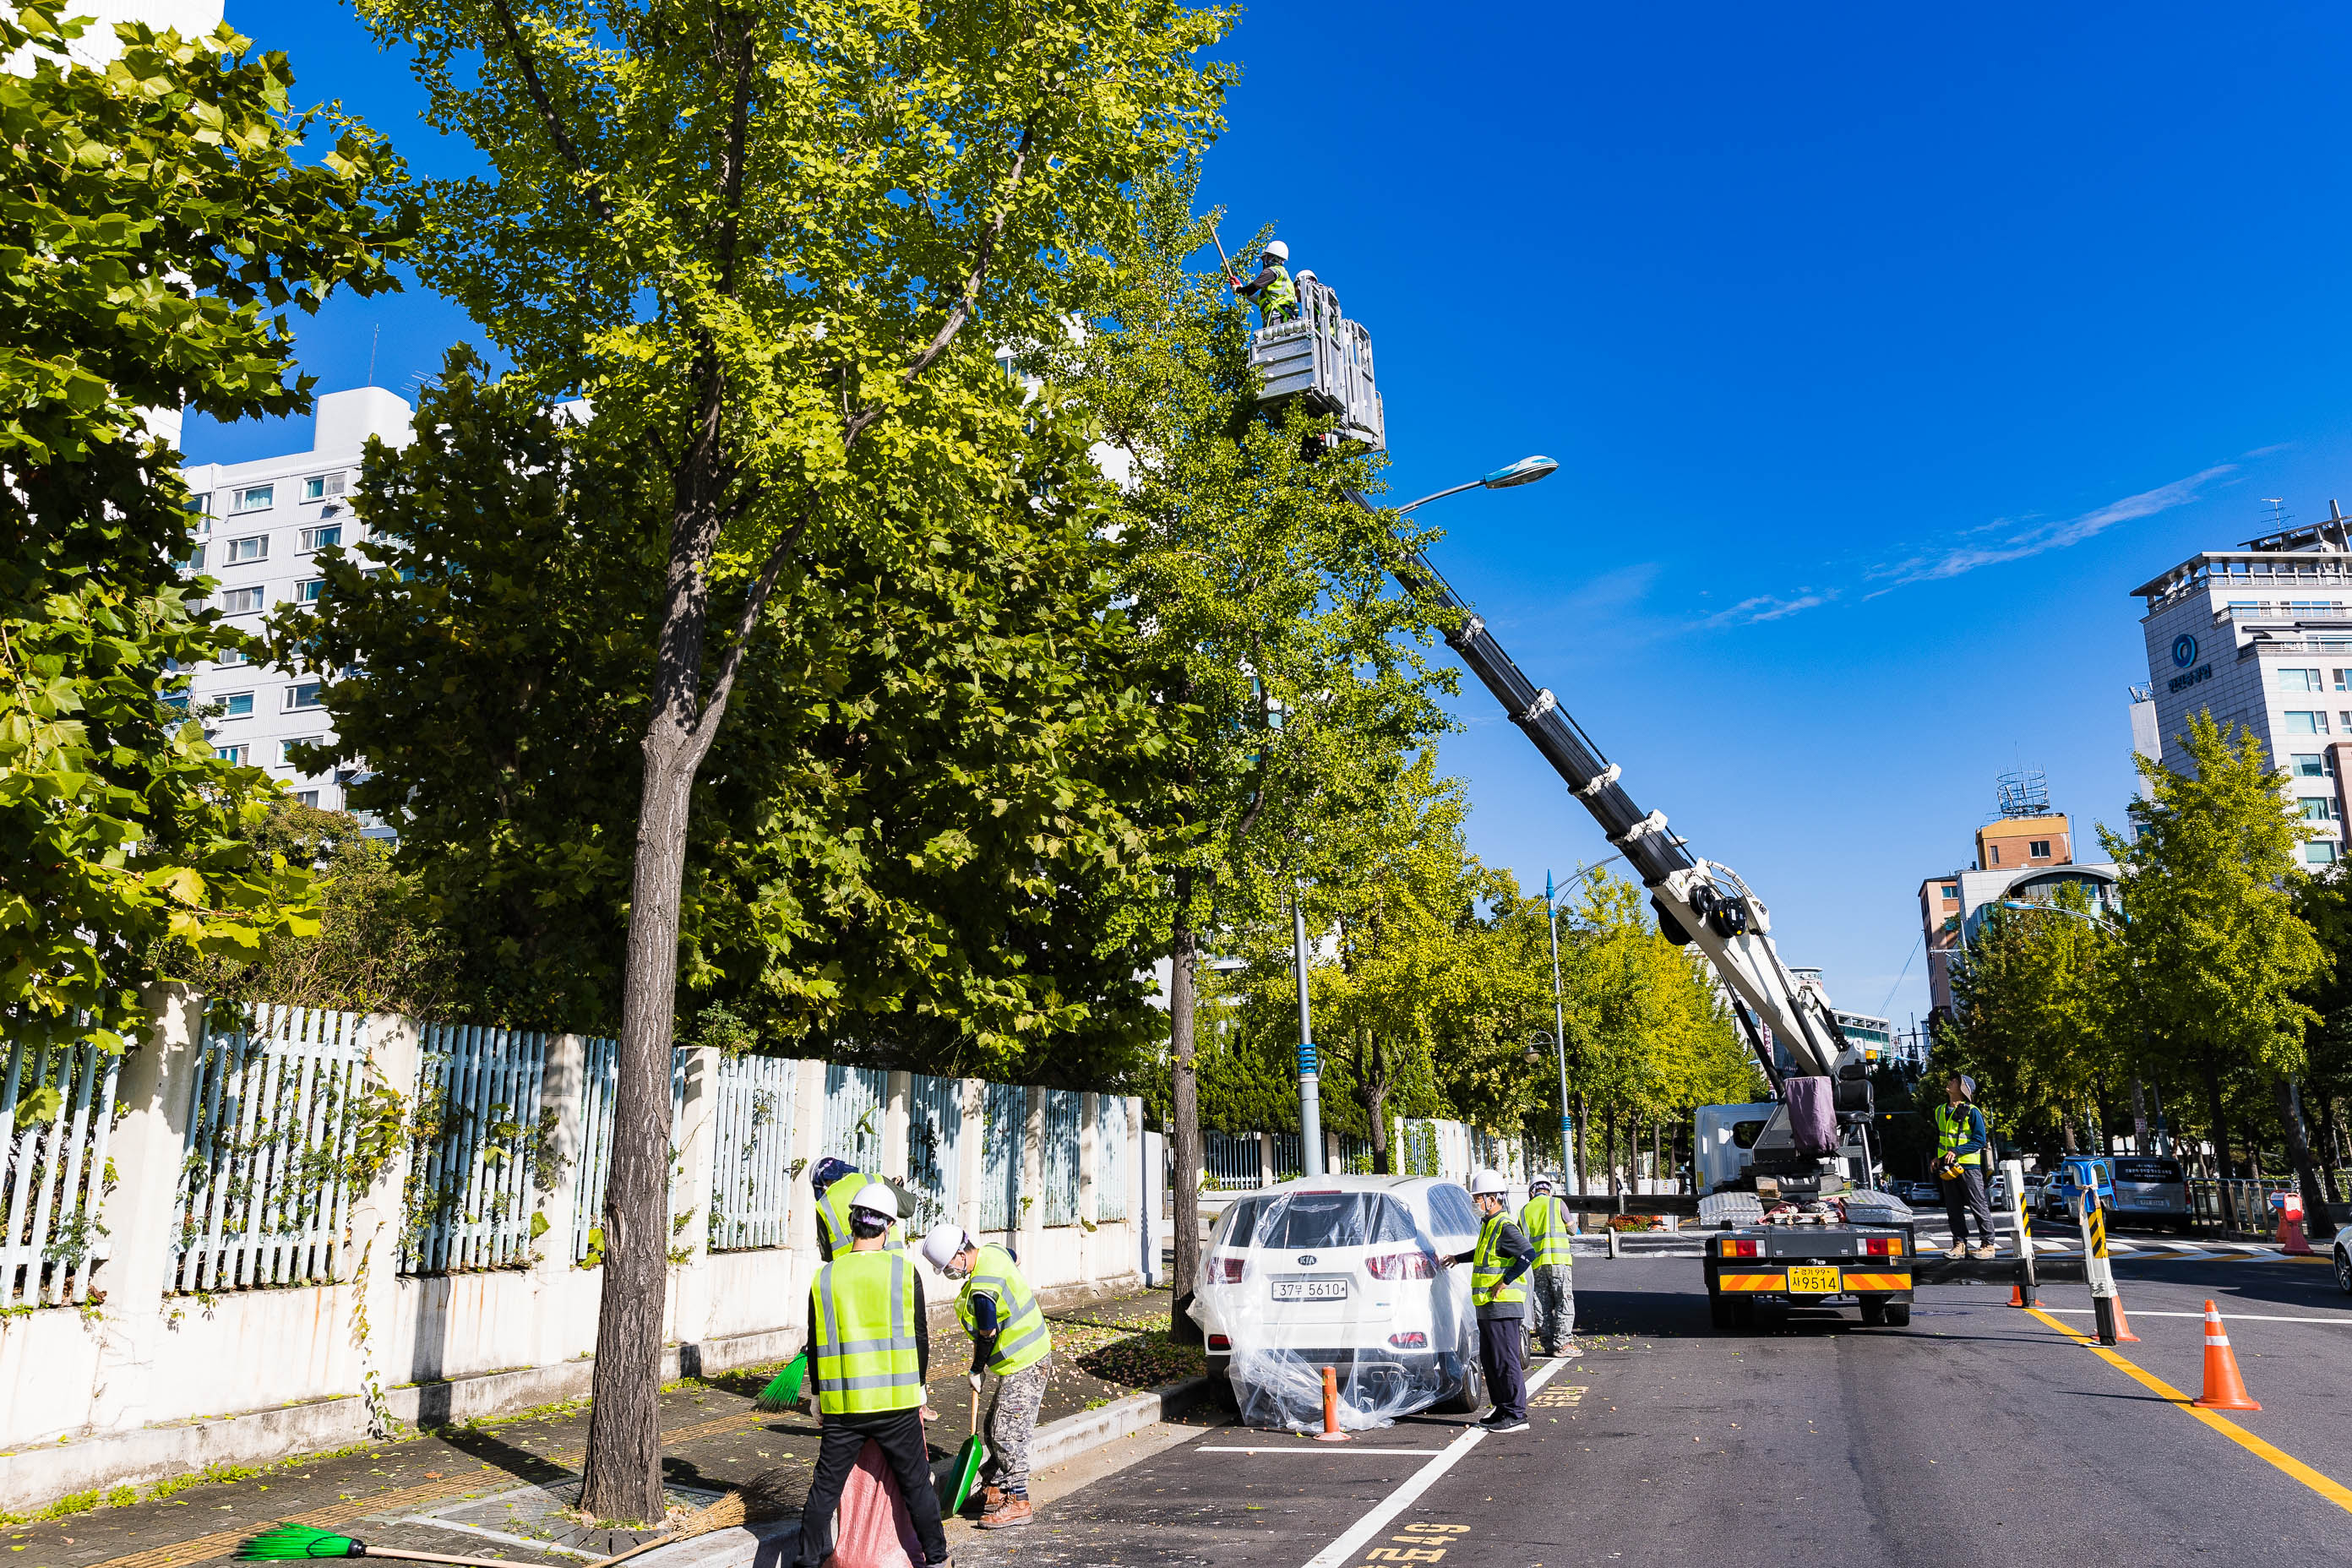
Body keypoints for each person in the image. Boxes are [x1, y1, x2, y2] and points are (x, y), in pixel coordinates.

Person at [795, 1184, 951, 1568]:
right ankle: (937, 1559)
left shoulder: (826, 1277)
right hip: (896, 1404)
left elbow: (816, 1343)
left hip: (844, 1407)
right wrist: (922, 1389)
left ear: (851, 1225)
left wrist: (817, 1397)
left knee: (824, 1490)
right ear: (887, 1228)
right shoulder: (903, 1271)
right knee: (916, 1484)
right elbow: (919, 1336)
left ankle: (805, 1563)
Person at [922, 1222, 1052, 1530]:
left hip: (1027, 1361)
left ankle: (1018, 1501)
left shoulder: (982, 1289)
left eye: (947, 1266)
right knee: (992, 1427)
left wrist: (976, 1369)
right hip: (1025, 1358)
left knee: (1008, 1433)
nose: (950, 1272)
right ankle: (995, 1489)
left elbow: (987, 1332)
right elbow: (1014, 1256)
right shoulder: (992, 1252)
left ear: (959, 1255)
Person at [1443, 1168, 1532, 1433]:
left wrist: (1505, 1281)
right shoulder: (1489, 1225)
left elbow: (1528, 1254)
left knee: (1505, 1360)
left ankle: (1516, 1414)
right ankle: (1502, 1408)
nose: (1476, 1202)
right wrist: (1458, 1258)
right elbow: (1483, 1254)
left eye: (1479, 1197)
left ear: (1493, 1199)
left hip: (1503, 1306)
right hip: (1488, 1307)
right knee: (1492, 1361)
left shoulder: (1504, 1226)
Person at [1934, 1074, 2000, 1260]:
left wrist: (1957, 1151)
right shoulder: (1940, 1110)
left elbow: (1980, 1140)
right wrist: (1937, 1158)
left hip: (1969, 1167)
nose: (1950, 1081)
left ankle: (1988, 1245)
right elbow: (1941, 1139)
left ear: (1963, 1090)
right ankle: (1959, 1244)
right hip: (1948, 1167)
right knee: (1953, 1208)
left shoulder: (1972, 1111)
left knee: (1978, 1204)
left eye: (1954, 1081)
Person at [1519, 1176, 1579, 1358]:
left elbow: (1520, 1240)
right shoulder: (1557, 1203)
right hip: (1559, 1261)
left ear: (1532, 1192)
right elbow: (1572, 1229)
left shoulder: (1524, 1211)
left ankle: (1548, 1344)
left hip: (1537, 1264)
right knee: (1564, 1300)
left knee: (1541, 1304)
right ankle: (1563, 1344)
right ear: (1549, 1190)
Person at [810, 1156, 901, 1262]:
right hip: (894, 1266)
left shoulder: (823, 1204)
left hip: (848, 1271)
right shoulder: (874, 1179)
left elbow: (826, 1255)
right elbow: (909, 1208)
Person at [1231, 239, 1298, 325]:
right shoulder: (1284, 276)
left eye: (1265, 258)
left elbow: (1251, 289)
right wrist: (1241, 289)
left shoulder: (1271, 272)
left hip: (1277, 318)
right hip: (1283, 317)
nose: (1263, 261)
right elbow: (1260, 300)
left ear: (1272, 257)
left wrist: (1238, 289)